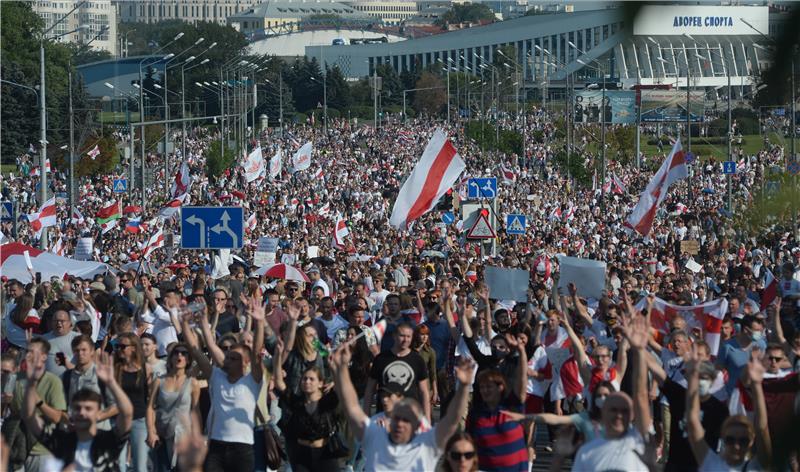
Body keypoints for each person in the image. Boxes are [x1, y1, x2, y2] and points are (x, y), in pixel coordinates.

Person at [330, 342, 474, 471]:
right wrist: (341, 369)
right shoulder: (375, 435)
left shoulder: (427, 443)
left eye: (406, 420)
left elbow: (452, 419)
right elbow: (352, 408)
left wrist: (464, 387)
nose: (399, 423)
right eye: (396, 418)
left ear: (418, 425)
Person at [182, 294, 264, 472]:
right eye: (227, 355)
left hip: (243, 449)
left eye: (233, 358)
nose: (227, 358)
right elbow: (199, 350)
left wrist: (260, 323)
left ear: (245, 362)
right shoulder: (217, 376)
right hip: (216, 447)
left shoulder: (252, 381)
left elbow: (257, 354)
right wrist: (196, 322)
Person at [23, 348, 133, 472]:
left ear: (98, 412)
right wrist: (31, 383)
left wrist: (111, 382)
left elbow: (127, 413)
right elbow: (29, 417)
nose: (82, 412)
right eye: (77, 408)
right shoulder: (62, 442)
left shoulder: (108, 440)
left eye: (88, 408)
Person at [571, 313, 652, 471]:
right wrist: (568, 328)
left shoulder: (616, 374)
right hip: (593, 426)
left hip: (615, 424)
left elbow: (622, 350)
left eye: (604, 356)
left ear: (609, 358)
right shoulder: (589, 375)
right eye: (597, 357)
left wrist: (628, 333)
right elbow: (579, 351)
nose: (600, 360)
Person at [686, 345, 772, 471]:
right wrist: (693, 377)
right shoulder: (710, 462)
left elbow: (762, 428)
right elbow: (692, 420)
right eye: (730, 440)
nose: (736, 446)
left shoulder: (756, 466)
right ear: (722, 437)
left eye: (743, 441)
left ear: (752, 441)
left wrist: (756, 384)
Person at [273, 338, 342, 472]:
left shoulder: (327, 402)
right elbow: (279, 384)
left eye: (311, 379)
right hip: (301, 455)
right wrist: (277, 358)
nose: (307, 382)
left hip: (325, 454)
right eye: (304, 379)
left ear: (320, 383)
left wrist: (333, 367)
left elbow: (340, 389)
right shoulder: (297, 402)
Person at [466, 332, 529, 471]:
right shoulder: (476, 414)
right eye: (482, 387)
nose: (485, 391)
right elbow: (469, 445)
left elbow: (522, 379)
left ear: (500, 387)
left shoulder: (513, 407)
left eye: (489, 386)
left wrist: (521, 351)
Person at [146, 342, 200, 472]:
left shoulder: (193, 383)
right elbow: (150, 407)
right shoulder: (159, 380)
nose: (179, 356)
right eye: (176, 353)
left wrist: (197, 436)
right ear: (170, 358)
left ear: (188, 360)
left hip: (183, 436)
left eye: (183, 353)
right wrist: (151, 432)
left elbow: (195, 411)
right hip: (162, 434)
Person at [363, 322, 431, 421]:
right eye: (402, 336)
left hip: (410, 415)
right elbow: (369, 389)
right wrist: (366, 414)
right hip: (384, 416)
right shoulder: (381, 359)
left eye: (408, 336)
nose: (405, 340)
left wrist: (427, 417)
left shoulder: (418, 359)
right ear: (394, 336)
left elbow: (424, 391)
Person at [114, 333, 151, 472]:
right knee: (119, 466)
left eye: (123, 346)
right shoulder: (114, 368)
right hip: (118, 420)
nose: (119, 349)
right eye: (117, 346)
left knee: (140, 467)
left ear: (134, 348)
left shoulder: (145, 368)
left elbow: (149, 398)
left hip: (139, 420)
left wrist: (152, 427)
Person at [43, 308, 79, 377]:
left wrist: (66, 363)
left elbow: (86, 365)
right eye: (56, 321)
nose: (58, 323)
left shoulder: (77, 338)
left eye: (62, 321)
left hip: (71, 382)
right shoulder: (44, 339)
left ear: (69, 323)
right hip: (50, 383)